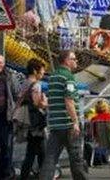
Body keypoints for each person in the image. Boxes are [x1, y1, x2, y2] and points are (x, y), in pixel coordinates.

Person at [40, 50, 88, 180]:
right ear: (67, 61)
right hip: (68, 124)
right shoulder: (69, 78)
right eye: (74, 59)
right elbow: (69, 101)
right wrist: (75, 122)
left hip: (55, 124)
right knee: (76, 158)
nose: (76, 61)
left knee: (50, 159)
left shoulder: (52, 77)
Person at [17, 58, 47, 180]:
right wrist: (45, 103)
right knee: (37, 151)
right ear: (35, 71)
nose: (43, 73)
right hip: (35, 122)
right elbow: (36, 103)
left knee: (36, 150)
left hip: (26, 120)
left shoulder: (24, 83)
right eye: (42, 71)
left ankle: (40, 173)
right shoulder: (35, 85)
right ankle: (43, 174)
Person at [88, 100, 110, 164]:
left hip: (99, 142)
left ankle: (109, 156)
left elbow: (91, 133)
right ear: (106, 108)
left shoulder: (94, 120)